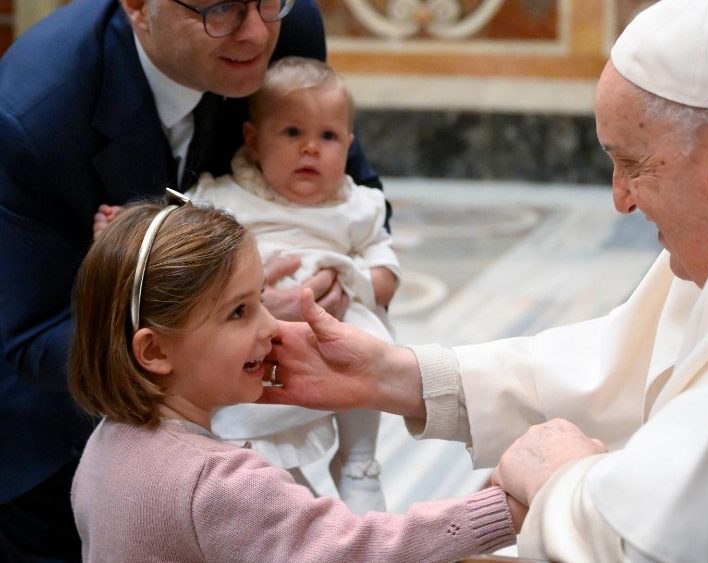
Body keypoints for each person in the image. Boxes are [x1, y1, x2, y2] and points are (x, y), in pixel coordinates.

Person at [259, 0, 708, 560]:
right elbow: (629, 358)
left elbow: (655, 541)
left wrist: (558, 476)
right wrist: (402, 374)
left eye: (631, 162)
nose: (619, 198)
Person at [0, 0, 385, 558]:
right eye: (222, 7)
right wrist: (234, 319)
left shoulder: (286, 25)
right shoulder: (32, 116)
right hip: (55, 439)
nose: (255, 32)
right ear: (138, 7)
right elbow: (27, 333)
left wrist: (350, 277)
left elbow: (353, 187)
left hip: (232, 429)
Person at [69, 195, 517, 560]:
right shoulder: (218, 484)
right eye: (239, 312)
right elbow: (359, 552)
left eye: (261, 298)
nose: (271, 327)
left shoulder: (105, 442)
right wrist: (501, 510)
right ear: (155, 351)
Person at [192, 56, 398, 514]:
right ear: (253, 139)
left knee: (369, 355)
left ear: (349, 145)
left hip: (336, 323)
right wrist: (128, 219)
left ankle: (359, 461)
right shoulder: (226, 197)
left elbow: (385, 266)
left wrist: (363, 283)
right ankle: (283, 481)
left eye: (327, 137)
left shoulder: (358, 205)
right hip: (262, 336)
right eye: (291, 133)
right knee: (257, 418)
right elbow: (179, 234)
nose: (310, 149)